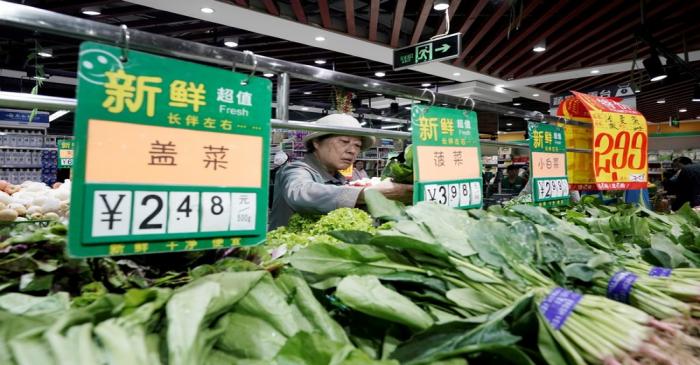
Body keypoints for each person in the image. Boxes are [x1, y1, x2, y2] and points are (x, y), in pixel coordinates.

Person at [269, 114, 413, 229]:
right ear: (317, 142)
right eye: (344, 141)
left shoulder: (340, 180)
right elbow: (301, 192)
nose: (352, 151)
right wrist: (368, 194)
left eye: (357, 145)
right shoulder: (295, 169)